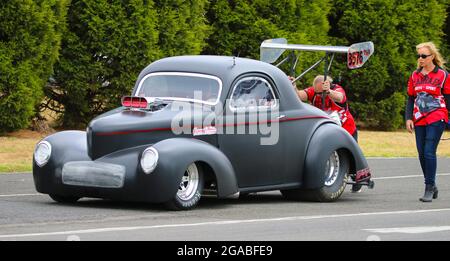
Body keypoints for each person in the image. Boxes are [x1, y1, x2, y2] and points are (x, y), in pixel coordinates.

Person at [291, 75, 361, 192]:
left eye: (321, 93)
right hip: (328, 131)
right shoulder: (314, 91)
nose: (319, 96)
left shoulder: (337, 89)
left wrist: (328, 92)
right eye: (317, 93)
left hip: (346, 130)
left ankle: (358, 179)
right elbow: (299, 95)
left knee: (353, 156)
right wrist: (293, 86)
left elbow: (340, 97)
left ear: (328, 84)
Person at [405, 42, 450, 202]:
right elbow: (411, 98)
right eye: (419, 56)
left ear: (432, 57)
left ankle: (428, 187)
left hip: (437, 116)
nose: (421, 59)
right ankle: (433, 185)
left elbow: (448, 98)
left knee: (429, 150)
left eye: (424, 56)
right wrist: (408, 118)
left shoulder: (443, 75)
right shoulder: (414, 75)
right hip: (419, 118)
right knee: (421, 153)